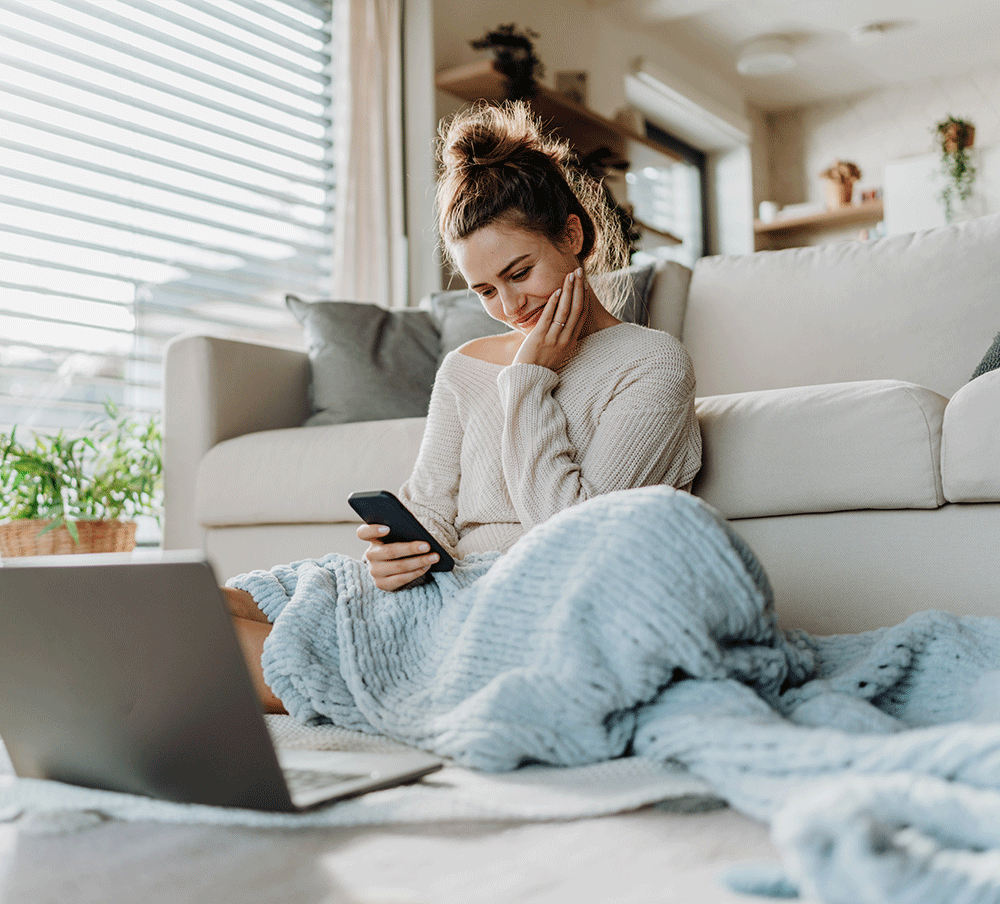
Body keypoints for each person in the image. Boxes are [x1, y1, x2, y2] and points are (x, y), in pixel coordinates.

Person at [224, 100, 702, 713]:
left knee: (226, 649)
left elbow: (580, 545)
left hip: (523, 603)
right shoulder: (465, 366)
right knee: (207, 605)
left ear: (573, 236)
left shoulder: (650, 363)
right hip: (440, 589)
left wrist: (529, 382)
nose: (510, 306)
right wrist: (394, 557)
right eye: (484, 290)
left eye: (520, 272)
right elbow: (430, 510)